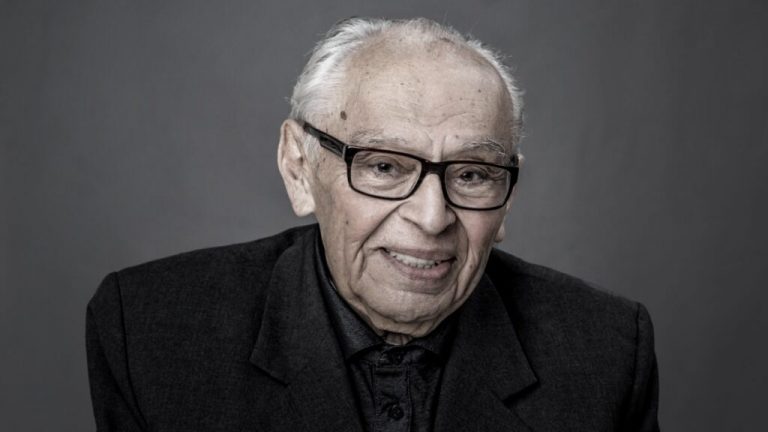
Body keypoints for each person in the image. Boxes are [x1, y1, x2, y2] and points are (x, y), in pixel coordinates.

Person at [86, 17, 659, 432]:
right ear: (298, 168)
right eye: (384, 166)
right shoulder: (151, 333)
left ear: (507, 199)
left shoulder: (606, 352)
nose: (432, 218)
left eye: (472, 174)